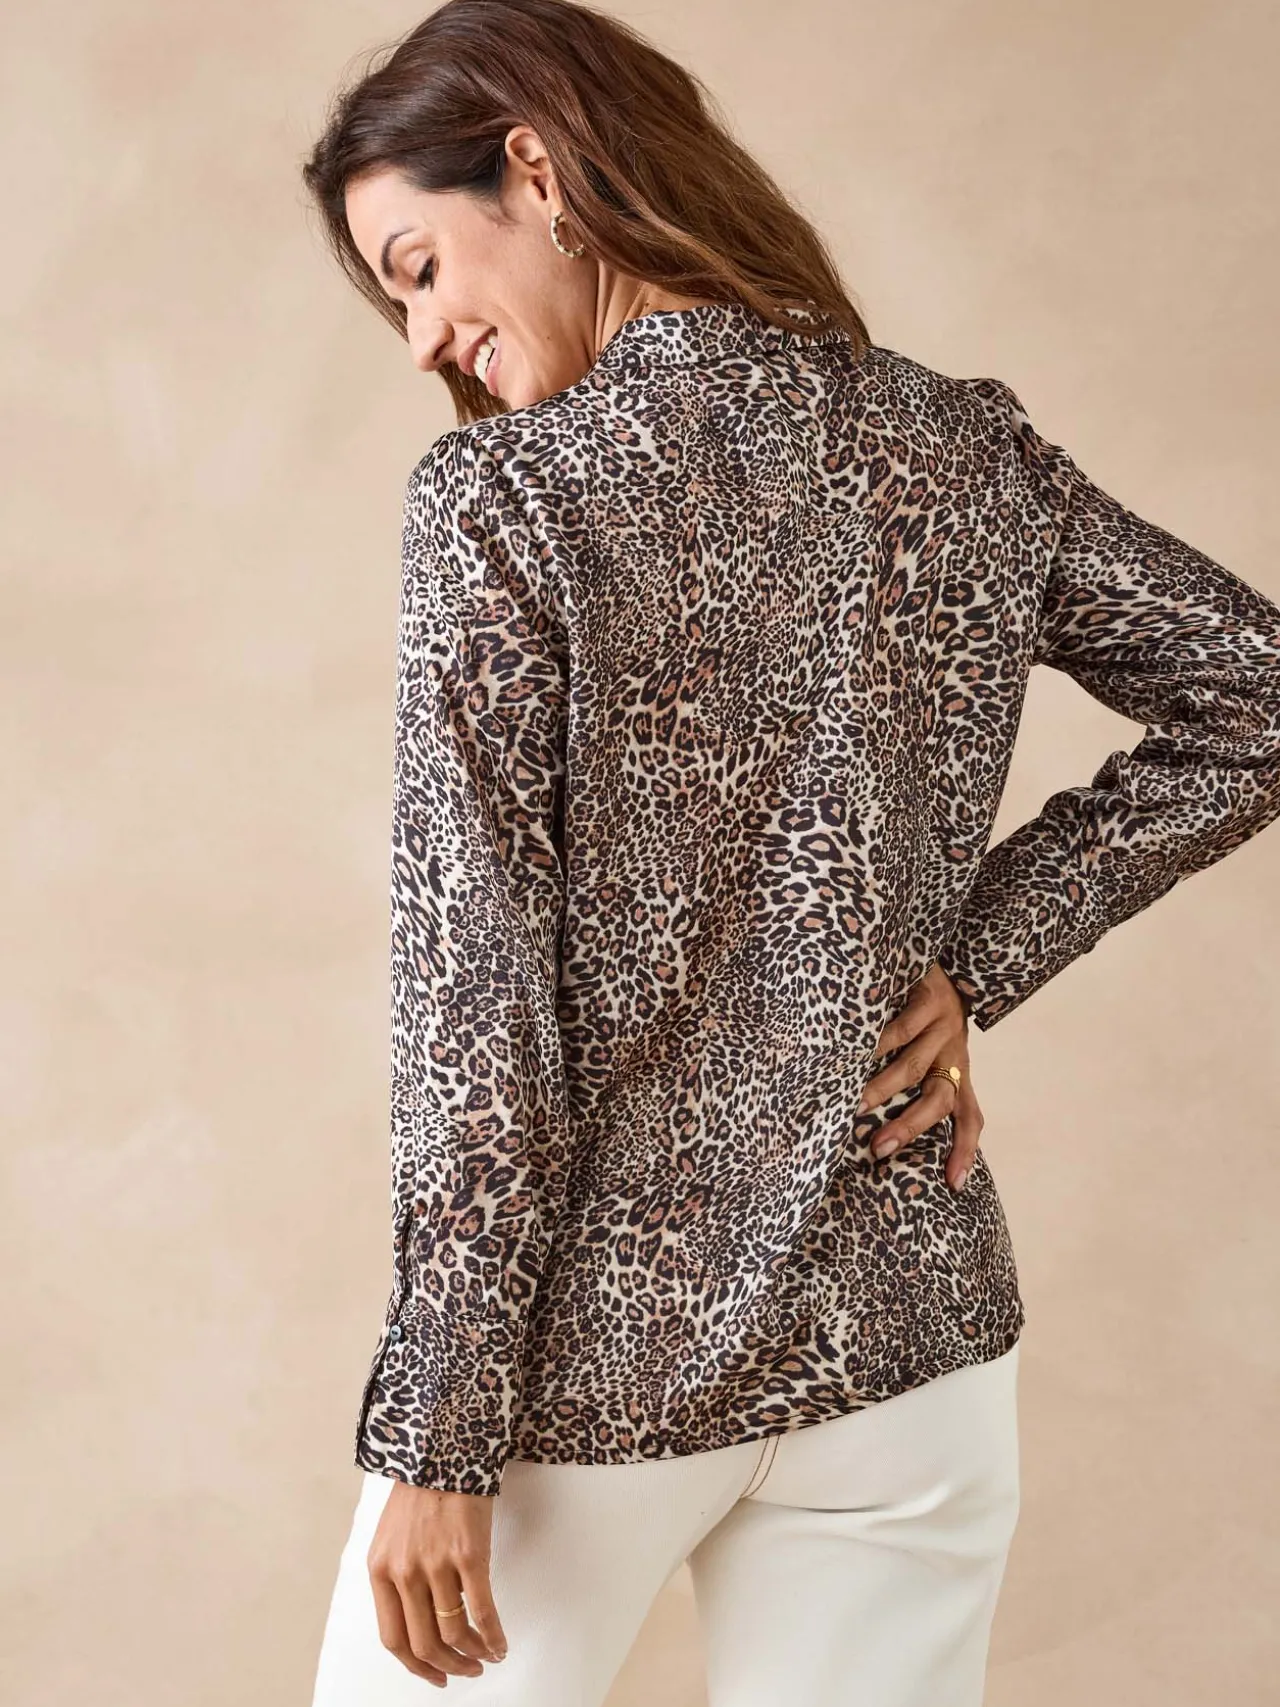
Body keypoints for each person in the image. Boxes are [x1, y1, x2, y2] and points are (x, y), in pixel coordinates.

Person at [299, 2, 1280, 1701]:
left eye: (420, 267)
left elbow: (478, 1014)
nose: (423, 339)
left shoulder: (507, 501)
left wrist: (438, 1429)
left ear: (537, 170)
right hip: (913, 1342)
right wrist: (974, 960)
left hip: (594, 1366)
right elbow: (1257, 690)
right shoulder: (959, 448)